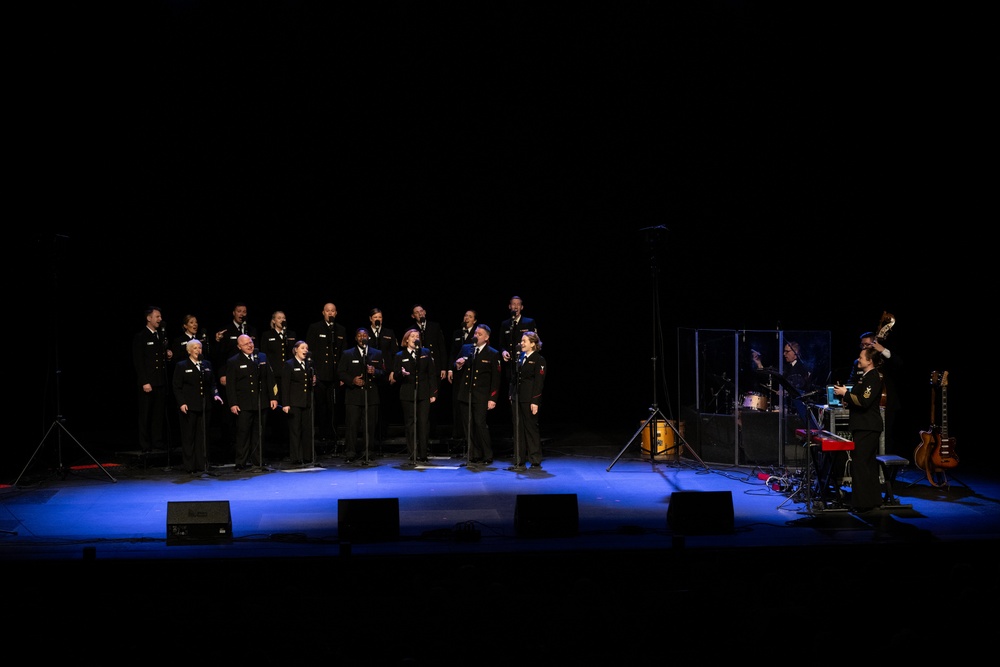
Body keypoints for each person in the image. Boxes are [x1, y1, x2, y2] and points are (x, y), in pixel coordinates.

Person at [832, 345, 884, 513]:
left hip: (868, 427)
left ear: (869, 361)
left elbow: (864, 401)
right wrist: (847, 398)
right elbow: (858, 399)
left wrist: (845, 393)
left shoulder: (873, 377)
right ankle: (872, 500)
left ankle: (862, 503)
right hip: (863, 426)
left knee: (861, 465)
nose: (859, 359)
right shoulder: (865, 377)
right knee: (867, 465)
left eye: (862, 357)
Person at [225, 334, 278, 471]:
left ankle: (258, 460)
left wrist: (273, 397)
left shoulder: (262, 357)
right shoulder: (234, 361)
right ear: (239, 347)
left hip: (262, 402)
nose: (249, 346)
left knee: (259, 432)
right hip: (244, 403)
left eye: (250, 342)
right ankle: (240, 462)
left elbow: (270, 379)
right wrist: (233, 403)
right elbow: (230, 386)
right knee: (243, 433)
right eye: (245, 344)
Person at [172, 339, 224, 475]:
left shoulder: (206, 364)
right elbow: (177, 387)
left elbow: (212, 383)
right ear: (189, 350)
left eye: (199, 348)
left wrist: (215, 394)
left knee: (203, 436)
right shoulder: (182, 365)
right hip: (189, 406)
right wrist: (182, 403)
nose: (198, 350)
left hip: (204, 406)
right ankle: (190, 466)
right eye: (195, 348)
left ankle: (202, 464)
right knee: (189, 436)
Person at [454, 324, 501, 466]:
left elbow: (496, 379)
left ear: (486, 337)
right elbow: (455, 365)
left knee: (479, 424)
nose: (476, 336)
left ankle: (487, 454)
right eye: (475, 333)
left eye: (480, 334)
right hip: (466, 393)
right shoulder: (466, 348)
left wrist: (492, 398)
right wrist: (458, 364)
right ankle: (473, 454)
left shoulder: (492, 353)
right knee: (468, 425)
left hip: (481, 395)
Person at [338, 328, 385, 464]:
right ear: (355, 338)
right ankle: (350, 452)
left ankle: (368, 452)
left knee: (370, 426)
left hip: (371, 396)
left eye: (364, 335)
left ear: (368, 337)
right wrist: (352, 380)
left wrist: (374, 371)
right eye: (359, 335)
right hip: (353, 396)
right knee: (352, 426)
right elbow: (340, 372)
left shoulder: (377, 353)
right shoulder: (348, 354)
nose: (362, 337)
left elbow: (383, 373)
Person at [394, 328, 439, 463]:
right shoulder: (400, 355)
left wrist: (433, 393)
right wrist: (401, 373)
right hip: (407, 393)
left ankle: (424, 453)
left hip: (424, 393)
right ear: (407, 339)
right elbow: (395, 375)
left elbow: (431, 374)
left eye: (417, 336)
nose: (415, 338)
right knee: (410, 423)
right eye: (412, 336)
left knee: (423, 423)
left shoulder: (425, 353)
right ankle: (412, 453)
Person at [305, 302, 346, 449]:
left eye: (333, 311)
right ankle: (322, 433)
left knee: (334, 405)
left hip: (335, 375)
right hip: (320, 374)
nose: (330, 313)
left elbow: (343, 354)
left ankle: (333, 432)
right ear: (323, 312)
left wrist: (342, 375)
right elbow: (309, 353)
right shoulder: (315, 328)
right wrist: (312, 372)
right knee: (321, 405)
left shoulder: (340, 329)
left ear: (336, 313)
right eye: (327, 311)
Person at [132, 306, 172, 455]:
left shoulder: (161, 336)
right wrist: (144, 381)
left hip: (160, 381)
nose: (160, 319)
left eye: (160, 317)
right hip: (148, 382)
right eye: (157, 317)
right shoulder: (141, 336)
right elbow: (139, 361)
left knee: (158, 413)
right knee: (145, 414)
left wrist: (168, 354)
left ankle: (157, 441)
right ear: (149, 318)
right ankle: (144, 443)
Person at [857, 330, 900, 457]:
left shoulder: (884, 360)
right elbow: (852, 381)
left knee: (887, 437)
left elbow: (899, 364)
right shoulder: (860, 362)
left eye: (867, 345)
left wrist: (883, 350)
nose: (864, 347)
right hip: (867, 406)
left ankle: (886, 471)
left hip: (887, 405)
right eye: (862, 345)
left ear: (875, 344)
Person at [411, 304, 448, 450]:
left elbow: (441, 347)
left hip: (434, 368)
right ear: (413, 316)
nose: (420, 314)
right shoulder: (412, 330)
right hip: (419, 370)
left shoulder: (434, 326)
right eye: (416, 313)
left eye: (421, 311)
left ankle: (433, 431)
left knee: (433, 399)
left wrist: (444, 367)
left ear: (425, 312)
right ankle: (421, 435)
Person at [509, 331, 546, 471]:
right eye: (521, 340)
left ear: (533, 343)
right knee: (518, 429)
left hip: (529, 399)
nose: (521, 343)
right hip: (517, 398)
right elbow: (514, 378)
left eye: (524, 341)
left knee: (531, 428)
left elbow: (538, 382)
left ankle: (535, 459)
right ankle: (519, 460)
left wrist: (535, 401)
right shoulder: (520, 358)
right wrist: (511, 394)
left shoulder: (538, 359)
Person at [260, 310, 296, 451]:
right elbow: (264, 355)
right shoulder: (267, 335)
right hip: (274, 376)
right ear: (274, 321)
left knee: (288, 405)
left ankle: (287, 440)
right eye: (279, 318)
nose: (282, 320)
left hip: (288, 376)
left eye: (284, 318)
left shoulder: (290, 335)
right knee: (276, 405)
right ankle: (275, 438)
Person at [281, 340, 316, 466]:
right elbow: (285, 385)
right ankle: (295, 457)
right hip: (294, 402)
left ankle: (307, 456)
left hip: (306, 402)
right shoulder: (289, 364)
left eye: (306, 348)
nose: (305, 350)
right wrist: (285, 403)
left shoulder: (309, 364)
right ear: (296, 349)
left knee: (307, 430)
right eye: (302, 348)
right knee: (295, 431)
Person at [368, 307, 399, 447]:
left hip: (385, 373)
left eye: (380, 317)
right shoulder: (365, 333)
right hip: (370, 374)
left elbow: (394, 353)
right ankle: (371, 435)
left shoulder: (388, 333)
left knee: (384, 403)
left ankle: (382, 434)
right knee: (372, 405)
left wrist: (393, 371)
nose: (377, 319)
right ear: (371, 319)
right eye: (375, 317)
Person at [448, 309, 478, 444]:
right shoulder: (457, 333)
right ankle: (457, 432)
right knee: (457, 401)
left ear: (474, 321)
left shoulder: (478, 333)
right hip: (458, 371)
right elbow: (453, 352)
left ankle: (470, 434)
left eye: (470, 317)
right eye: (465, 315)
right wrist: (450, 368)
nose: (466, 318)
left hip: (471, 372)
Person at [499, 295, 538, 363]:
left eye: (518, 304)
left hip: (524, 360)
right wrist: (504, 351)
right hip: (509, 362)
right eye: (514, 304)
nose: (516, 307)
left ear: (522, 307)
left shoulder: (529, 322)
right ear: (510, 306)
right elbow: (502, 343)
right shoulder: (505, 324)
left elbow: (535, 341)